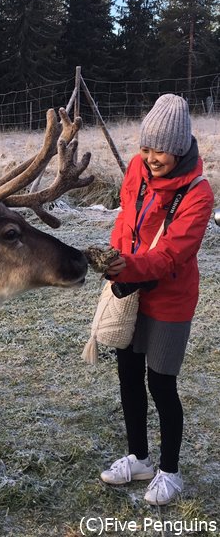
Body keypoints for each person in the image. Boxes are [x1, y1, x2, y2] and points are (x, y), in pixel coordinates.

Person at [100, 93, 214, 505]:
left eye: (160, 149)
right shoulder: (135, 168)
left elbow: (170, 256)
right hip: (130, 290)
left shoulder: (199, 194)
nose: (150, 157)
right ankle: (139, 457)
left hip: (169, 300)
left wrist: (124, 268)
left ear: (180, 147)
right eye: (146, 147)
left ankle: (169, 470)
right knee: (128, 377)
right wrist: (115, 255)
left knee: (161, 385)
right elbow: (124, 218)